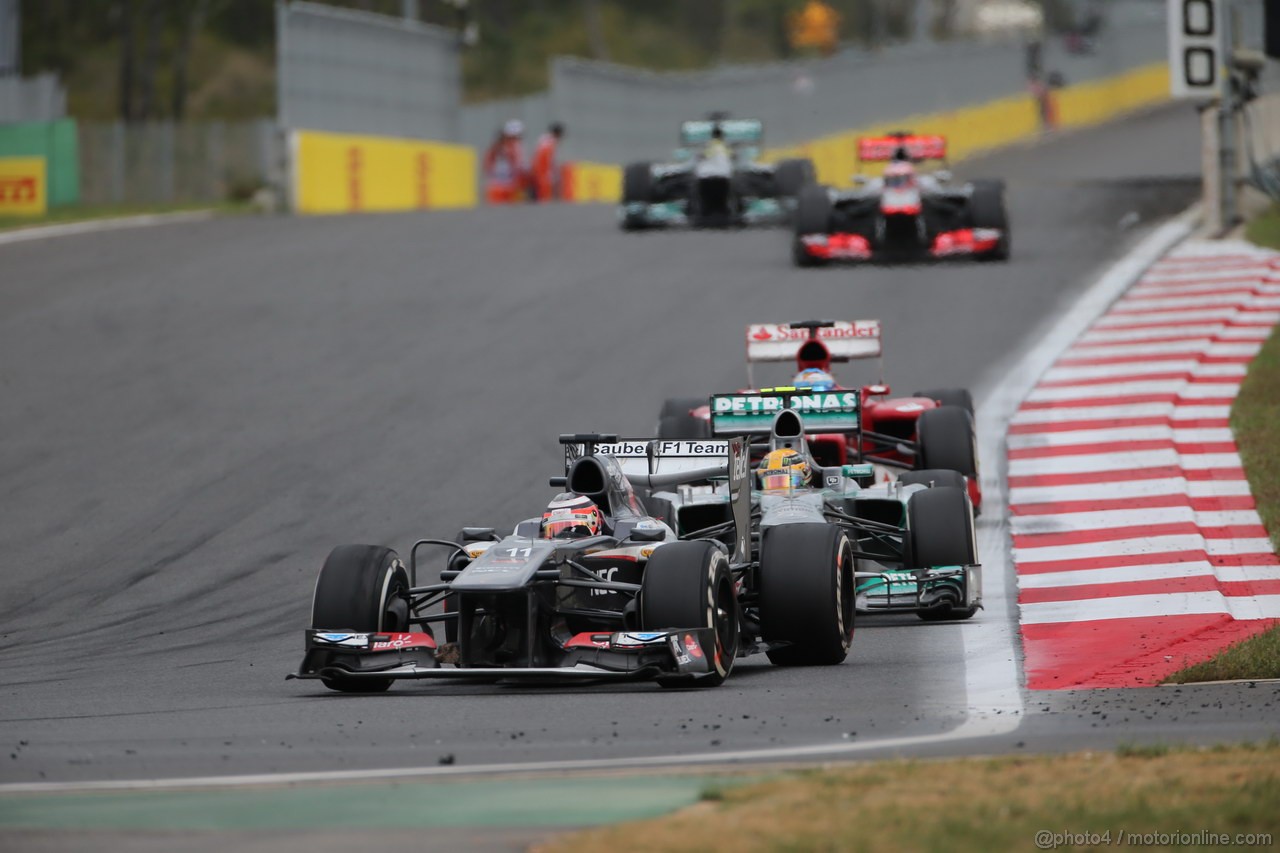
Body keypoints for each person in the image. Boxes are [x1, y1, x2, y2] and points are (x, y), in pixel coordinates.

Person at [483, 119, 527, 204]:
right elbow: (488, 163)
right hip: (499, 185)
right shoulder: (497, 148)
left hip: (508, 185)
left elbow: (519, 166)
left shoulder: (513, 147)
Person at [531, 121, 565, 202]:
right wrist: (555, 176)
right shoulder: (550, 143)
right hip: (545, 175)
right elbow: (551, 160)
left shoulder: (543, 141)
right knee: (545, 199)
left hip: (539, 173)